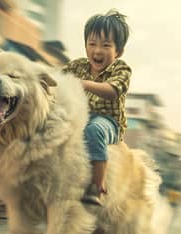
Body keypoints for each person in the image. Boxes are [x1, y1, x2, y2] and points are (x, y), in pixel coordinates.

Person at [62, 9, 132, 206]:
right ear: (85, 45)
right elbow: (57, 81)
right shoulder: (77, 66)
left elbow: (113, 90)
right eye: (92, 44)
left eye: (106, 45)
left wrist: (82, 84)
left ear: (119, 51)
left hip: (108, 122)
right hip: (80, 117)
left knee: (94, 131)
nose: (97, 51)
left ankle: (97, 186)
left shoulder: (121, 69)